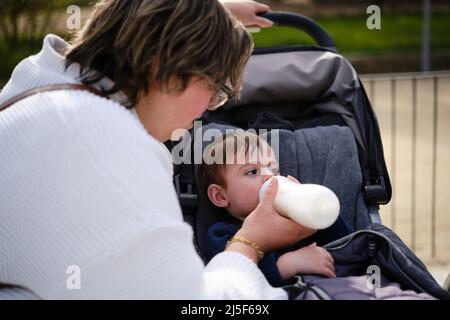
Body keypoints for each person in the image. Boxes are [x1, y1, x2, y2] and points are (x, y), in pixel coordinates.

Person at [0, 0, 314, 299]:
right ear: (163, 69)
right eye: (215, 88)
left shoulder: (39, 80)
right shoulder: (114, 152)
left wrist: (198, 18)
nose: (208, 107)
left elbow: (130, 21)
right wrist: (252, 241)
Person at [198, 132, 353, 287]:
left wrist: (318, 212)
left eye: (273, 169)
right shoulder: (222, 235)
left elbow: (347, 247)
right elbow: (233, 280)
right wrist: (287, 264)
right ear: (220, 196)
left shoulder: (295, 215)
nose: (269, 176)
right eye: (252, 172)